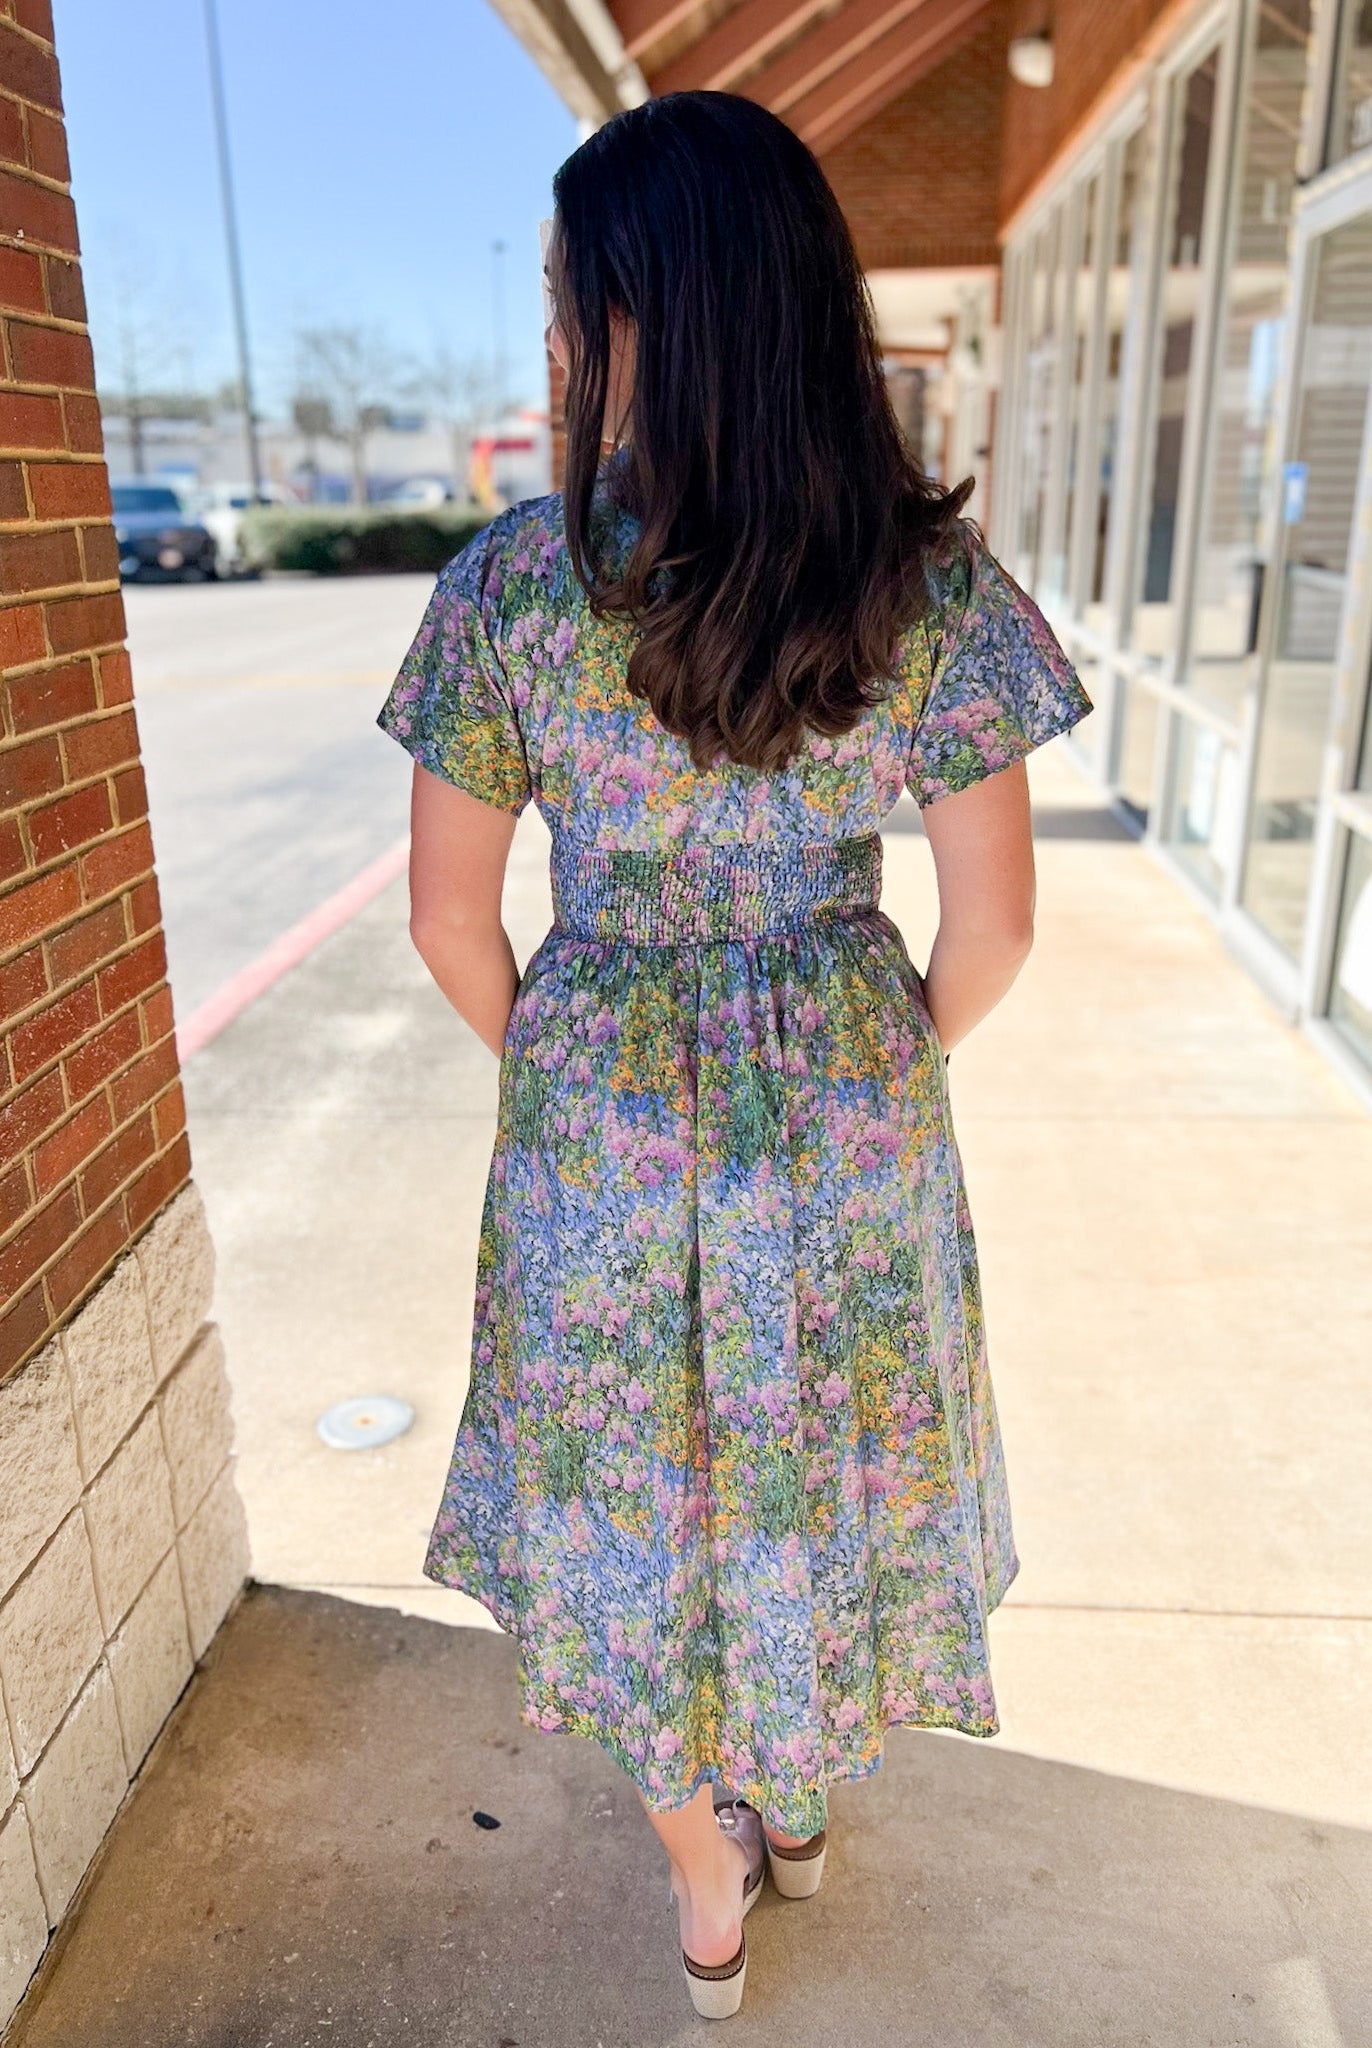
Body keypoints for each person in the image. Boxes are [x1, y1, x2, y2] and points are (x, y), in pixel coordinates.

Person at [376, 89, 1092, 2022]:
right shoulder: (930, 588)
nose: (550, 332)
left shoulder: (513, 594)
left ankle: (707, 1877)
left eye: (565, 297)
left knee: (630, 1499)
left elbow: (451, 923)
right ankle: (794, 1789)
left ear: (642, 320)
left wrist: (581, 1069)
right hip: (844, 1095)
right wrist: (864, 1080)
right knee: (809, 1467)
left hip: (599, 1108)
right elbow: (1003, 926)